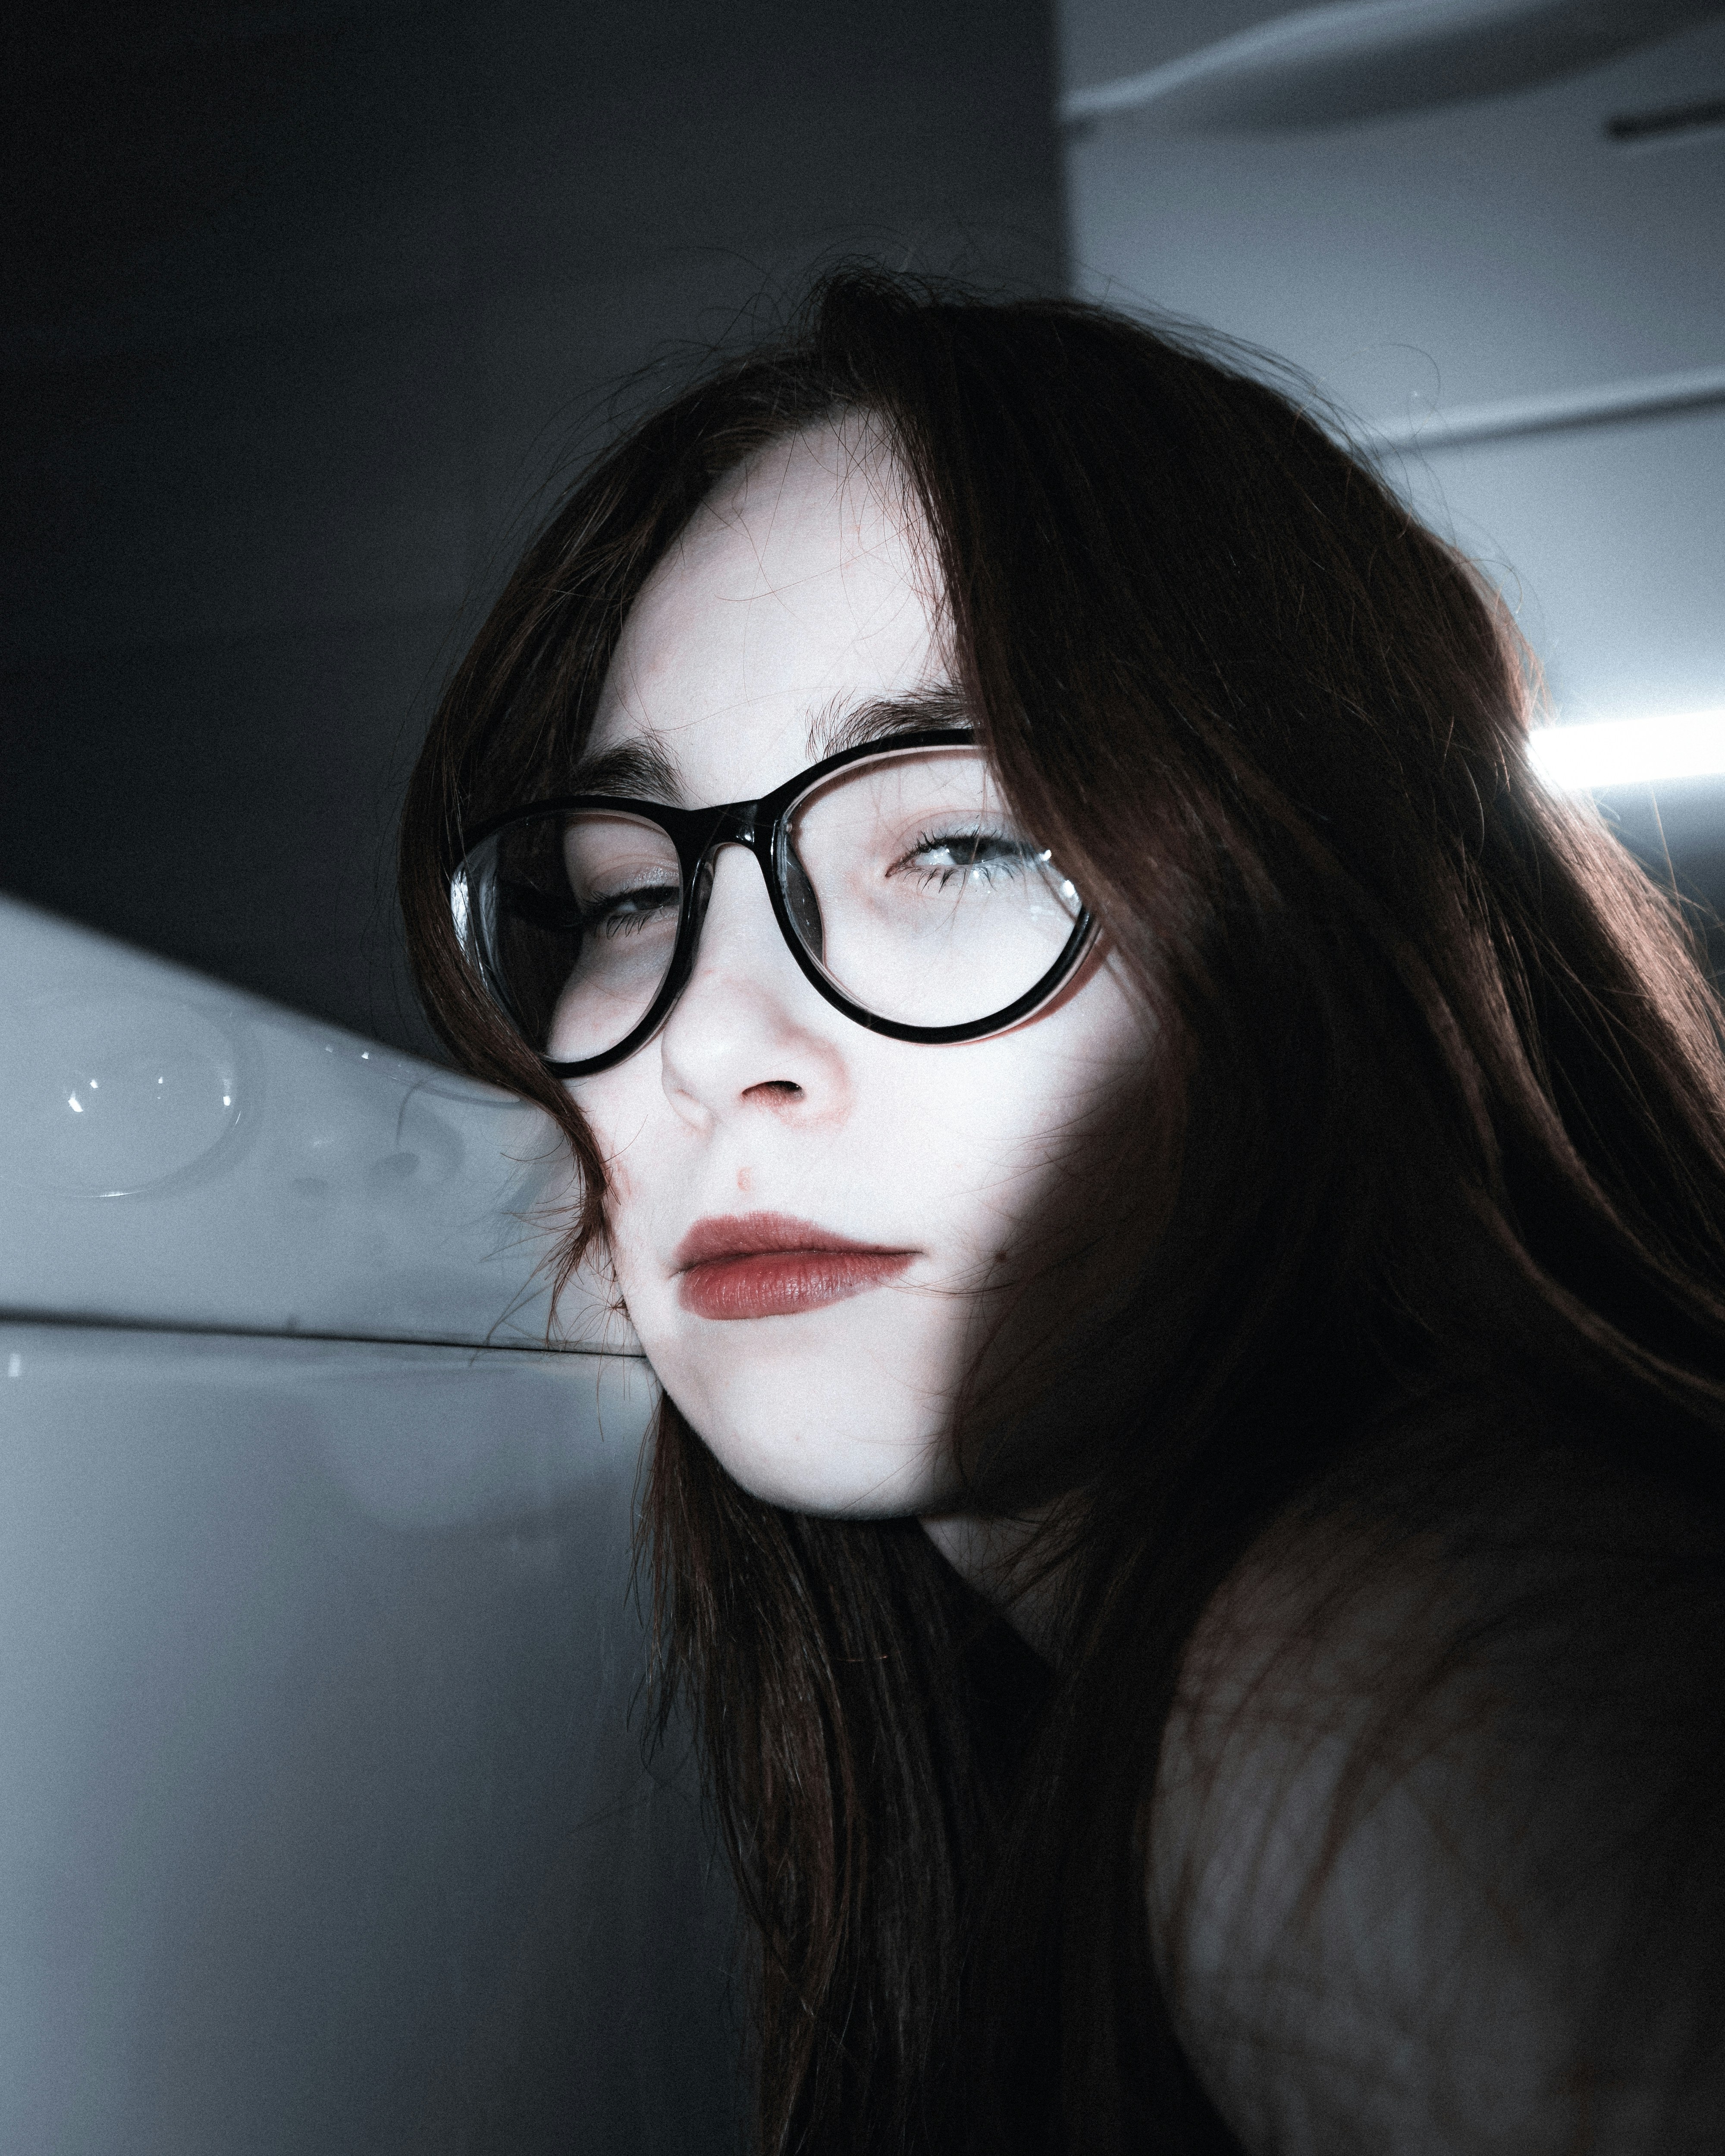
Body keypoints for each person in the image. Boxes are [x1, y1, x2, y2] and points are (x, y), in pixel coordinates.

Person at [398, 272, 1725, 2154]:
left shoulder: (1407, 1662)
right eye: (625, 894)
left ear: (1340, 915)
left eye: (958, 841)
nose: (705, 1037)